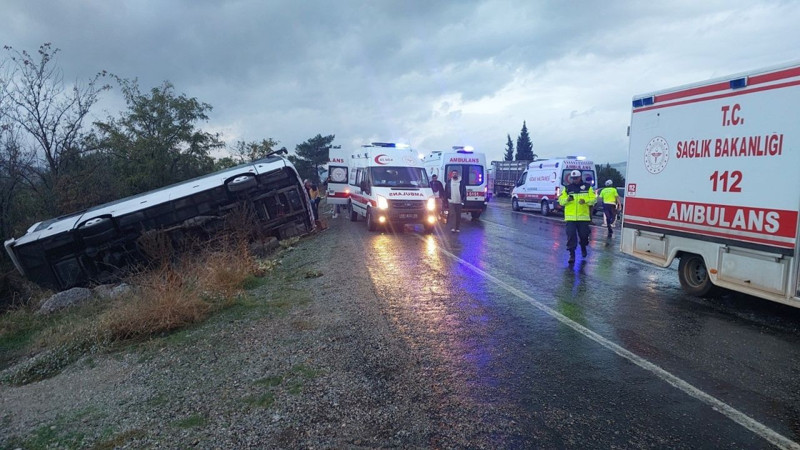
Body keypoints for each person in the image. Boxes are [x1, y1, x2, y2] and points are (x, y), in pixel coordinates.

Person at [558, 170, 596, 263]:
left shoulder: (587, 188)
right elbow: (561, 201)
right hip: (570, 218)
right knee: (571, 236)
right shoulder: (567, 188)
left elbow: (593, 200)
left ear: (580, 177)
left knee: (584, 235)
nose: (574, 180)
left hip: (583, 217)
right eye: (573, 178)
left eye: (576, 178)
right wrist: (567, 199)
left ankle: (583, 246)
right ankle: (572, 254)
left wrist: (585, 201)